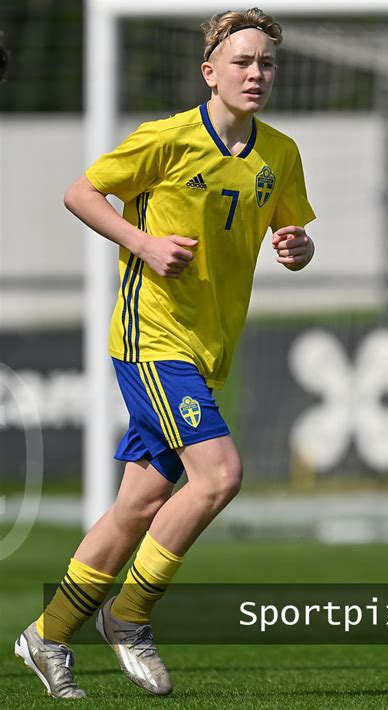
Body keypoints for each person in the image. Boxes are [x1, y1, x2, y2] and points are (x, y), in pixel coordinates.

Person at [15, 7, 316, 699]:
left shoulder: (281, 153)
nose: (256, 73)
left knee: (140, 506)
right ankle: (130, 616)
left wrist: (299, 250)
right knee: (217, 477)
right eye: (242, 62)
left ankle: (48, 634)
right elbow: (80, 193)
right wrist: (142, 243)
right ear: (210, 71)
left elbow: (292, 238)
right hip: (151, 340)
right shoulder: (168, 139)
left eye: (266, 63)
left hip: (207, 349)